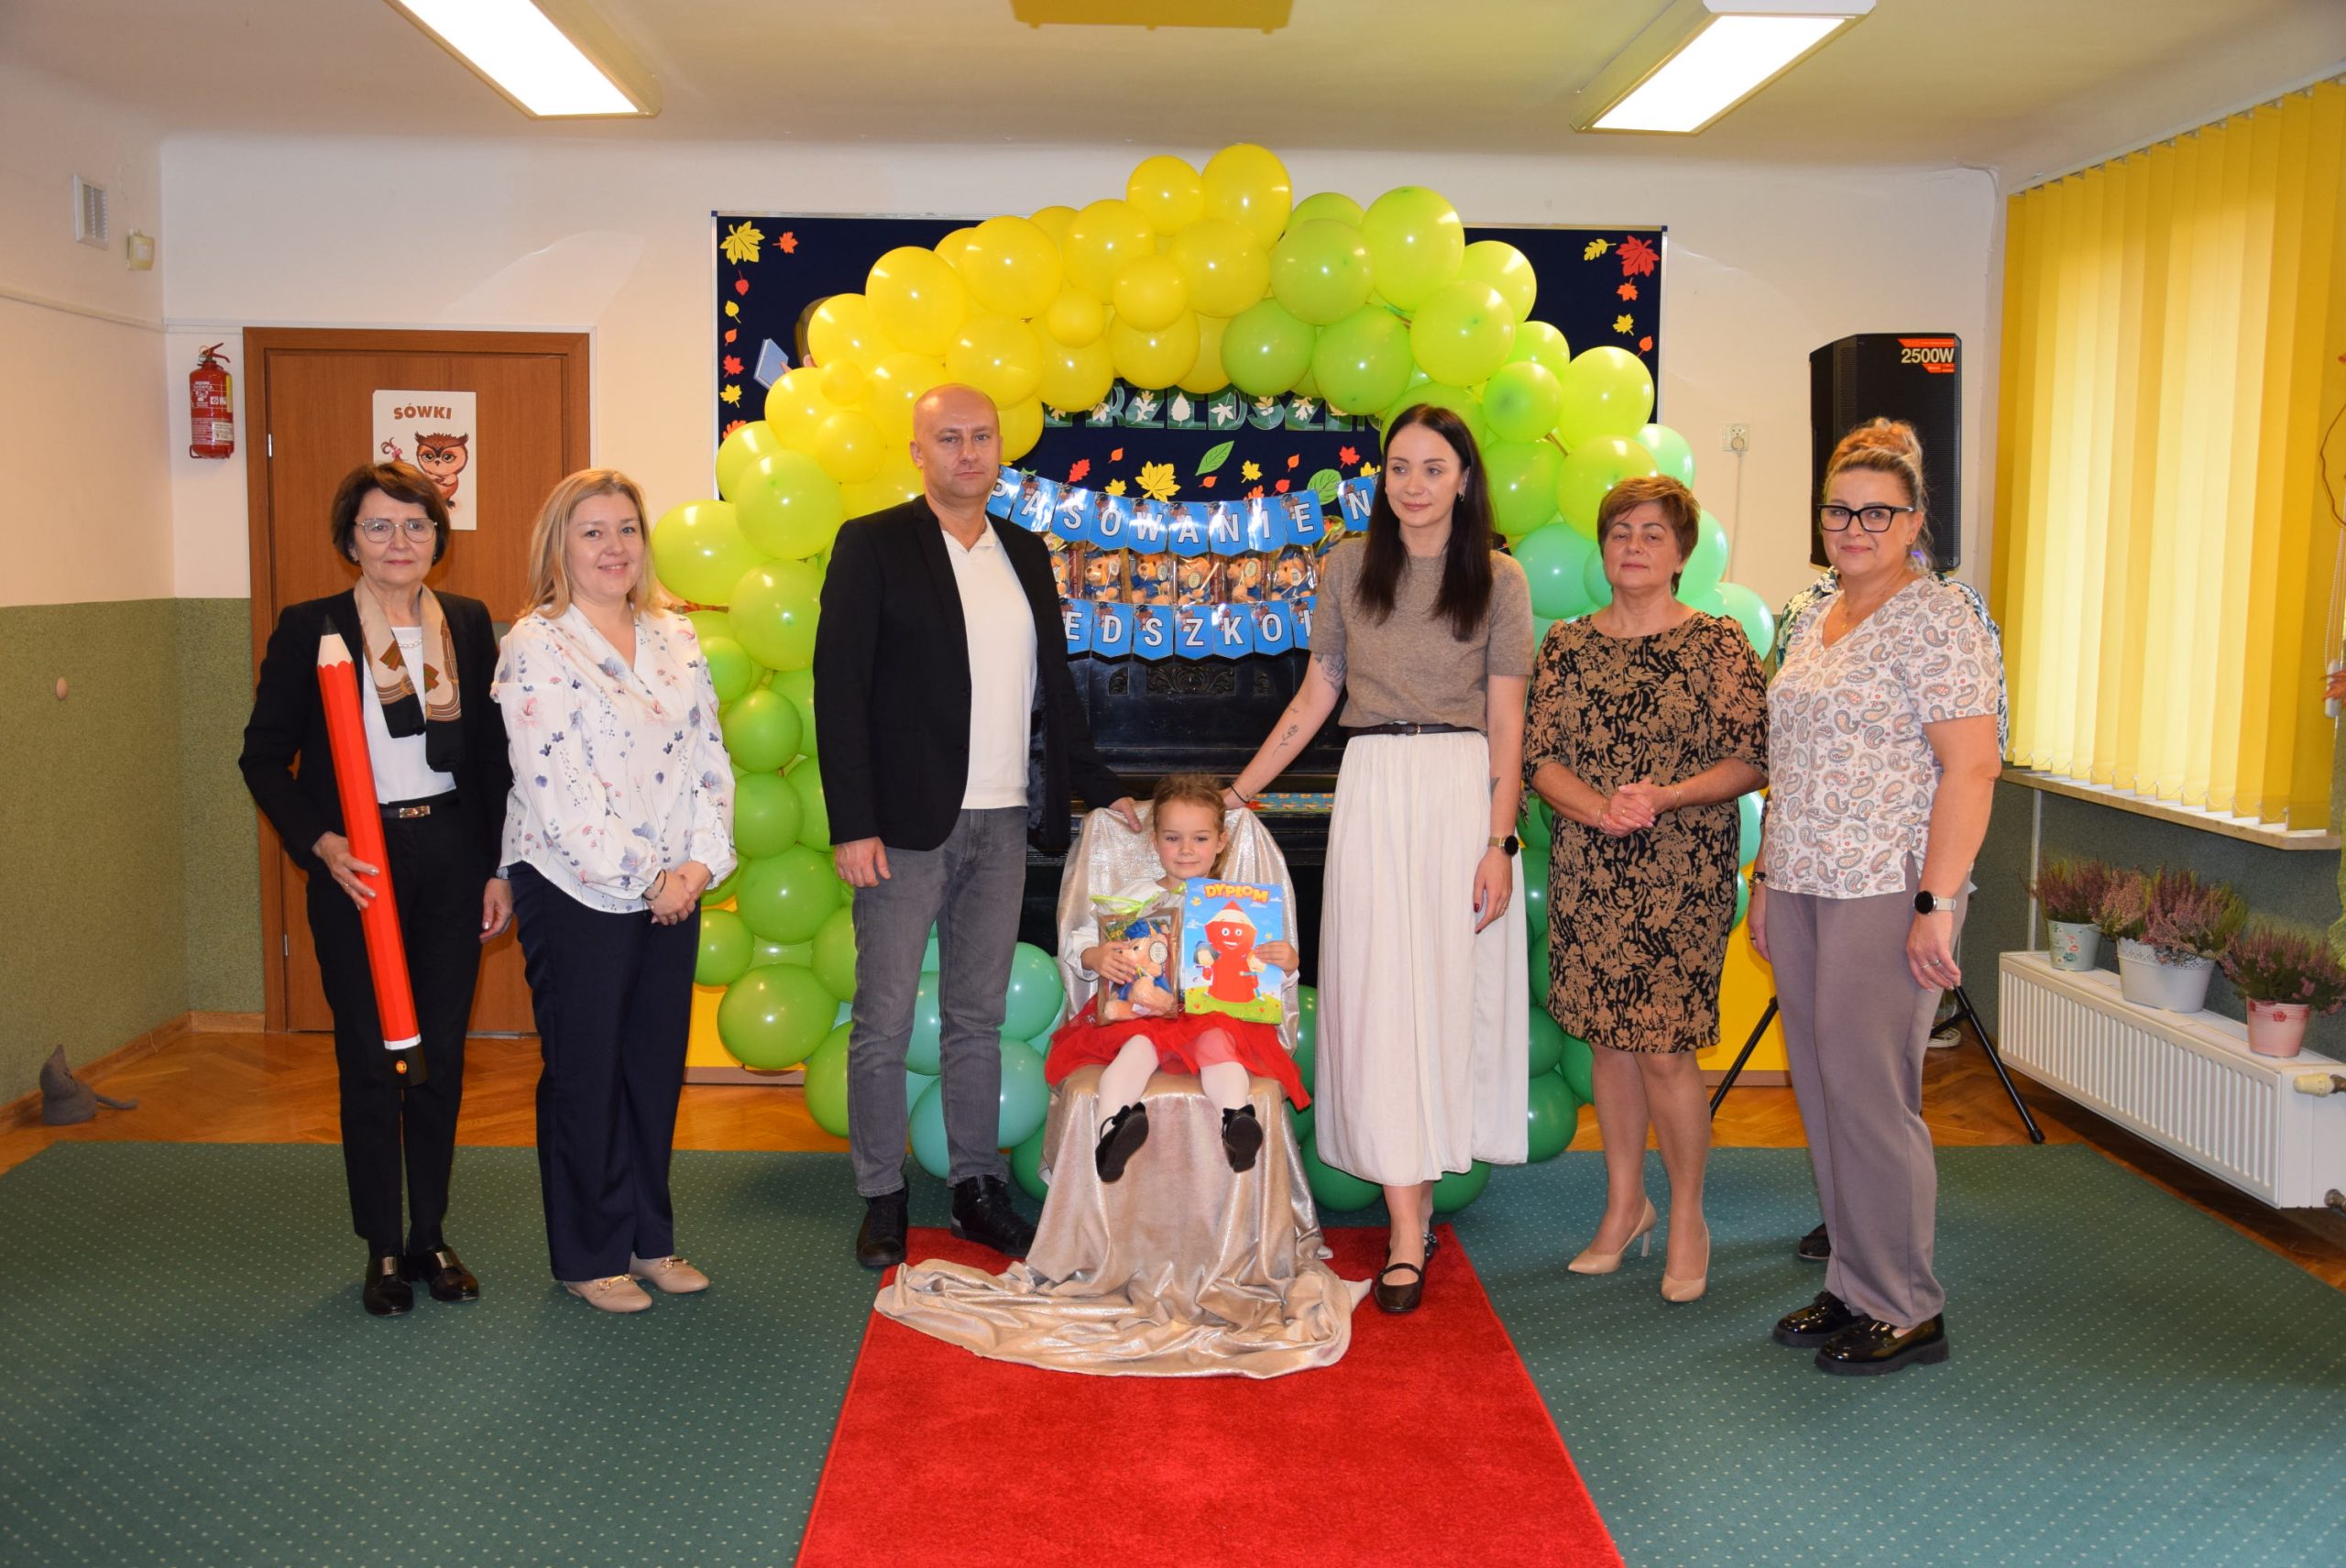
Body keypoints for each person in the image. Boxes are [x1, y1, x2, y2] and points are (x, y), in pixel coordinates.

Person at [814, 384, 1137, 1271]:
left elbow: (1054, 691)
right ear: (917, 452)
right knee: (883, 1019)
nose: (968, 452)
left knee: (976, 1017)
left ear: (1000, 449)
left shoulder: (1023, 550)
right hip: (902, 827)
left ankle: (974, 1188)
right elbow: (839, 691)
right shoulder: (873, 543)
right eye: (948, 438)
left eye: (981, 437)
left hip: (1004, 820)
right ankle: (881, 1192)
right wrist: (854, 822)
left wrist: (1105, 789)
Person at [1226, 403, 1534, 1315]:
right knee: (1381, 998)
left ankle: (1414, 1214)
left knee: (1440, 999)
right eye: (1399, 466)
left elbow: (1508, 720)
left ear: (1464, 480)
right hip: (1371, 786)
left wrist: (1499, 841)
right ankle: (1407, 1220)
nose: (1413, 484)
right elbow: (1315, 694)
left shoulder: (1501, 578)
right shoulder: (1348, 565)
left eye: (1433, 468)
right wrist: (1236, 793)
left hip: (1458, 792)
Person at [1749, 419, 2003, 1375]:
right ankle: (1854, 1280)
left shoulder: (1938, 618)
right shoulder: (1816, 614)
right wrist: (1766, 878)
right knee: (1821, 1089)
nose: (1853, 527)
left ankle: (1906, 1303)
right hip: (1803, 879)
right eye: (1839, 510)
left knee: (1870, 1093)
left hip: (1887, 884)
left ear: (1913, 521)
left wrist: (1937, 902)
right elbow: (1789, 762)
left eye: (1876, 512)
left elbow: (1972, 767)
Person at [238, 460, 511, 1318]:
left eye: (417, 525)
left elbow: (495, 758)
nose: (401, 541)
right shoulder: (311, 627)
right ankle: (382, 1246)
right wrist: (320, 843)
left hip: (453, 855)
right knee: (369, 1057)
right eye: (380, 526)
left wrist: (498, 866)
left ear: (439, 537)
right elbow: (262, 755)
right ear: (349, 540)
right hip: (357, 866)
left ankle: (429, 1234)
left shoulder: (466, 622)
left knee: (439, 1056)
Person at [493, 469, 736, 1315]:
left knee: (652, 1069)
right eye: (592, 531)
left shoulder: (675, 635)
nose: (613, 546)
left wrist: (698, 866)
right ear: (559, 546)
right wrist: (649, 878)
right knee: (587, 1072)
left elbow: (710, 760)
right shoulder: (536, 644)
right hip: (575, 887)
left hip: (675, 884)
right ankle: (587, 1253)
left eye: (627, 528)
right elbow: (558, 791)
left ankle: (647, 1238)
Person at [1524, 476, 1768, 1305]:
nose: (1634, 545)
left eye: (1653, 533)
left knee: (1664, 1047)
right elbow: (1539, 756)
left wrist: (1664, 796)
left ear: (1682, 552)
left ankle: (1689, 1214)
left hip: (1682, 868)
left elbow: (1752, 756)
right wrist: (1599, 808)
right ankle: (1625, 1205)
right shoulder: (1566, 645)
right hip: (1590, 866)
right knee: (1608, 1043)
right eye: (1620, 531)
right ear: (1603, 547)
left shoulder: (1718, 642)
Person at [1045, 773, 1308, 1181]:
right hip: (1146, 1013)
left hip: (1214, 1014)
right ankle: (1113, 1129)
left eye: (1200, 839)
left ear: (1221, 842)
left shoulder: (1238, 905)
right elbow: (1083, 939)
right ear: (1154, 841)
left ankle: (1236, 1120)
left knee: (1218, 1043)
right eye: (1173, 838)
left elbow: (1265, 977)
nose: (1186, 849)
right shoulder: (1135, 894)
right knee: (1136, 1048)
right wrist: (1096, 956)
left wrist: (1286, 963)